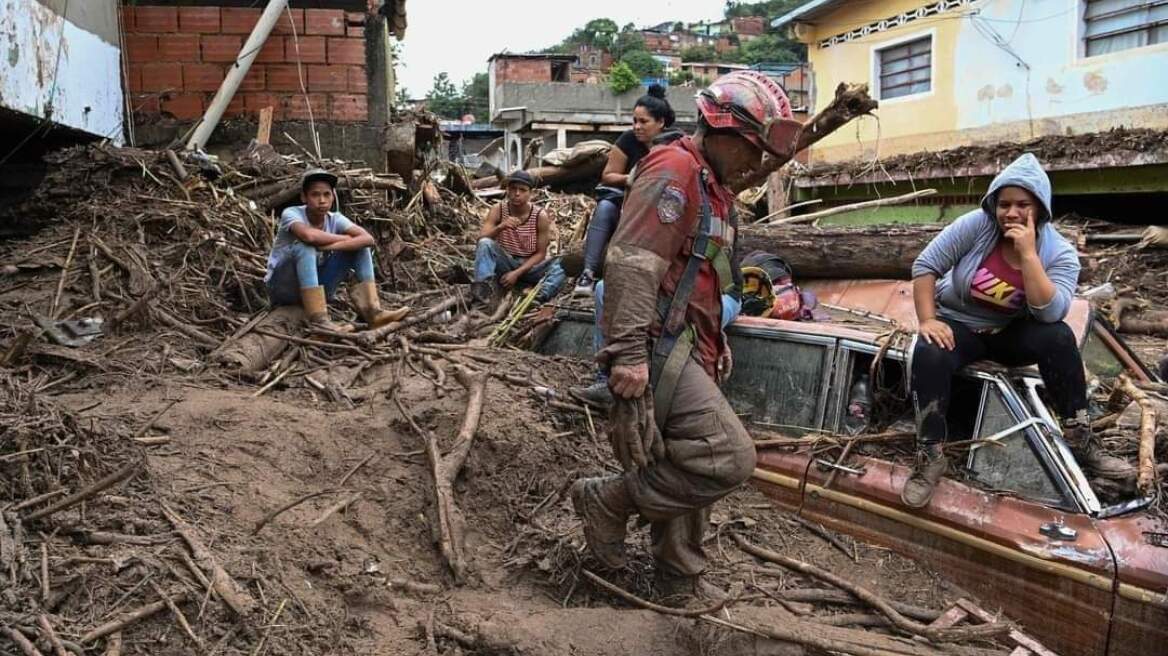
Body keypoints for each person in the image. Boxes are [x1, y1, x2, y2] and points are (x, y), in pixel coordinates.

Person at [570, 71, 800, 602]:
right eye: (752, 149)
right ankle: (609, 500)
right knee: (727, 455)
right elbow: (631, 264)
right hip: (658, 345)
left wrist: (717, 344)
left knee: (679, 456)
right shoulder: (675, 170)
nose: (755, 163)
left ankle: (678, 581)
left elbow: (703, 276)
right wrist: (628, 356)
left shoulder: (712, 187)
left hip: (691, 346)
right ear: (723, 132)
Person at [902, 153, 1134, 509]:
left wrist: (1028, 256)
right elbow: (925, 266)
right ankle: (930, 454)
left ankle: (1080, 440)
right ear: (993, 204)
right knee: (929, 349)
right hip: (959, 326)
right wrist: (929, 320)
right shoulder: (975, 226)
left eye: (1022, 204)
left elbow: (1050, 313)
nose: (1011, 212)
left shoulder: (1059, 253)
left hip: (1009, 333)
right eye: (1004, 204)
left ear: (1039, 207)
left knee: (1058, 336)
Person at [265, 169, 408, 332]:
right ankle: (320, 322)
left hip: (317, 289)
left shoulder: (335, 218)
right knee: (305, 247)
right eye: (315, 195)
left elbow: (368, 239)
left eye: (327, 195)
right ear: (304, 197)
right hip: (284, 289)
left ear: (333, 196)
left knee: (360, 248)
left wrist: (329, 245)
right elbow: (308, 236)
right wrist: (345, 239)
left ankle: (373, 313)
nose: (322, 200)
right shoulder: (291, 213)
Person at [572, 85, 677, 296]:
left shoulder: (676, 143)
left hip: (663, 207)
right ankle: (589, 273)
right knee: (604, 208)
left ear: (661, 122)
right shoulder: (628, 140)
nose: (637, 126)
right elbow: (608, 175)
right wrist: (631, 179)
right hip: (627, 204)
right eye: (635, 121)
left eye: (644, 122)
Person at [569, 280, 741, 409]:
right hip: (665, 287)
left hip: (716, 294)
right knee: (604, 287)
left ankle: (679, 398)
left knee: (681, 313)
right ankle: (605, 381)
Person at [471, 170, 565, 305]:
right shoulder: (498, 209)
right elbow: (481, 239)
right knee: (486, 243)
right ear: (507, 190)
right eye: (513, 189)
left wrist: (517, 273)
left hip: (530, 268)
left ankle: (540, 295)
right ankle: (483, 292)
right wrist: (500, 227)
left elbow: (541, 253)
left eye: (523, 190)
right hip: (506, 264)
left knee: (562, 262)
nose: (517, 194)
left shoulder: (540, 216)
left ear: (531, 194)